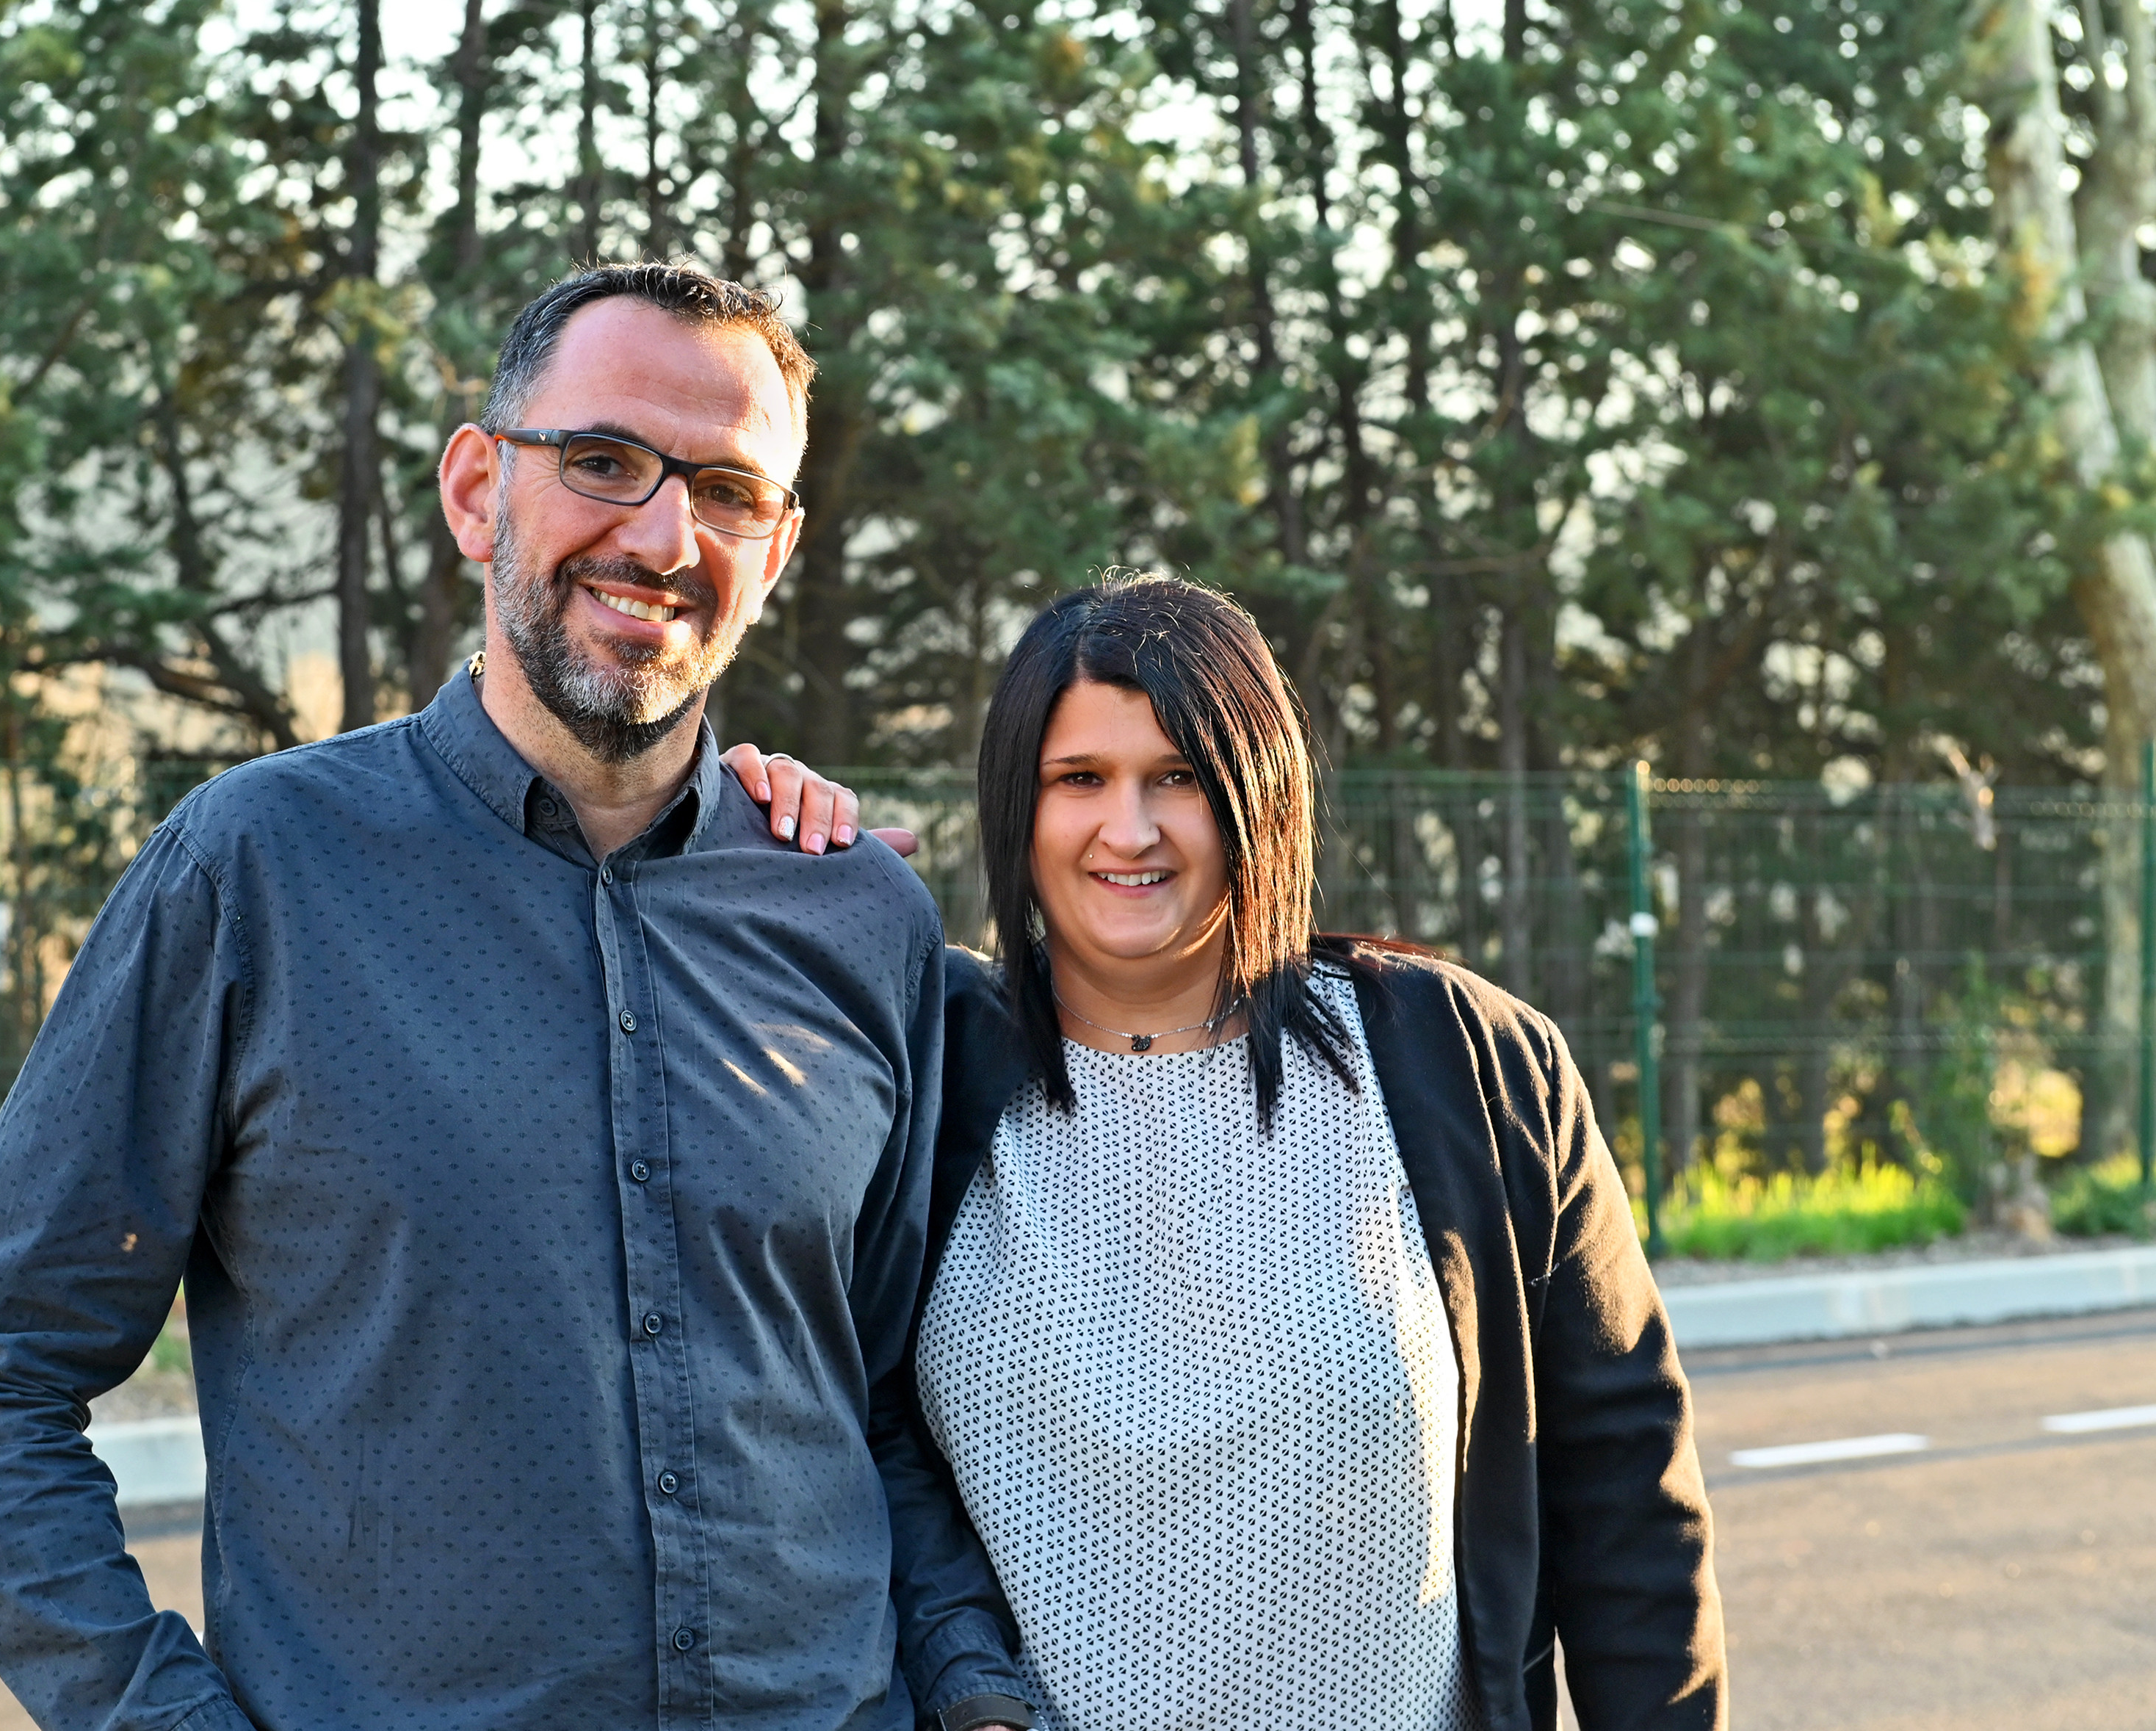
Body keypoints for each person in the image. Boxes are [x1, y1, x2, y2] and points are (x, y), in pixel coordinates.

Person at [0, 262, 1032, 1731]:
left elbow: (879, 1401)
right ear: (480, 490)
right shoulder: (254, 872)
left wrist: (976, 1692)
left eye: (728, 491)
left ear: (779, 545)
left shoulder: (858, 915)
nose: (663, 535)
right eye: (604, 460)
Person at [728, 574, 1726, 1731]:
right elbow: (839, 1440)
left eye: (1181, 777)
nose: (1130, 829)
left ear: (1261, 792)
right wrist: (733, 851)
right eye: (1079, 778)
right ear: (1017, 803)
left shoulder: (1471, 1065)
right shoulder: (918, 1066)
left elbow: (1629, 1504)